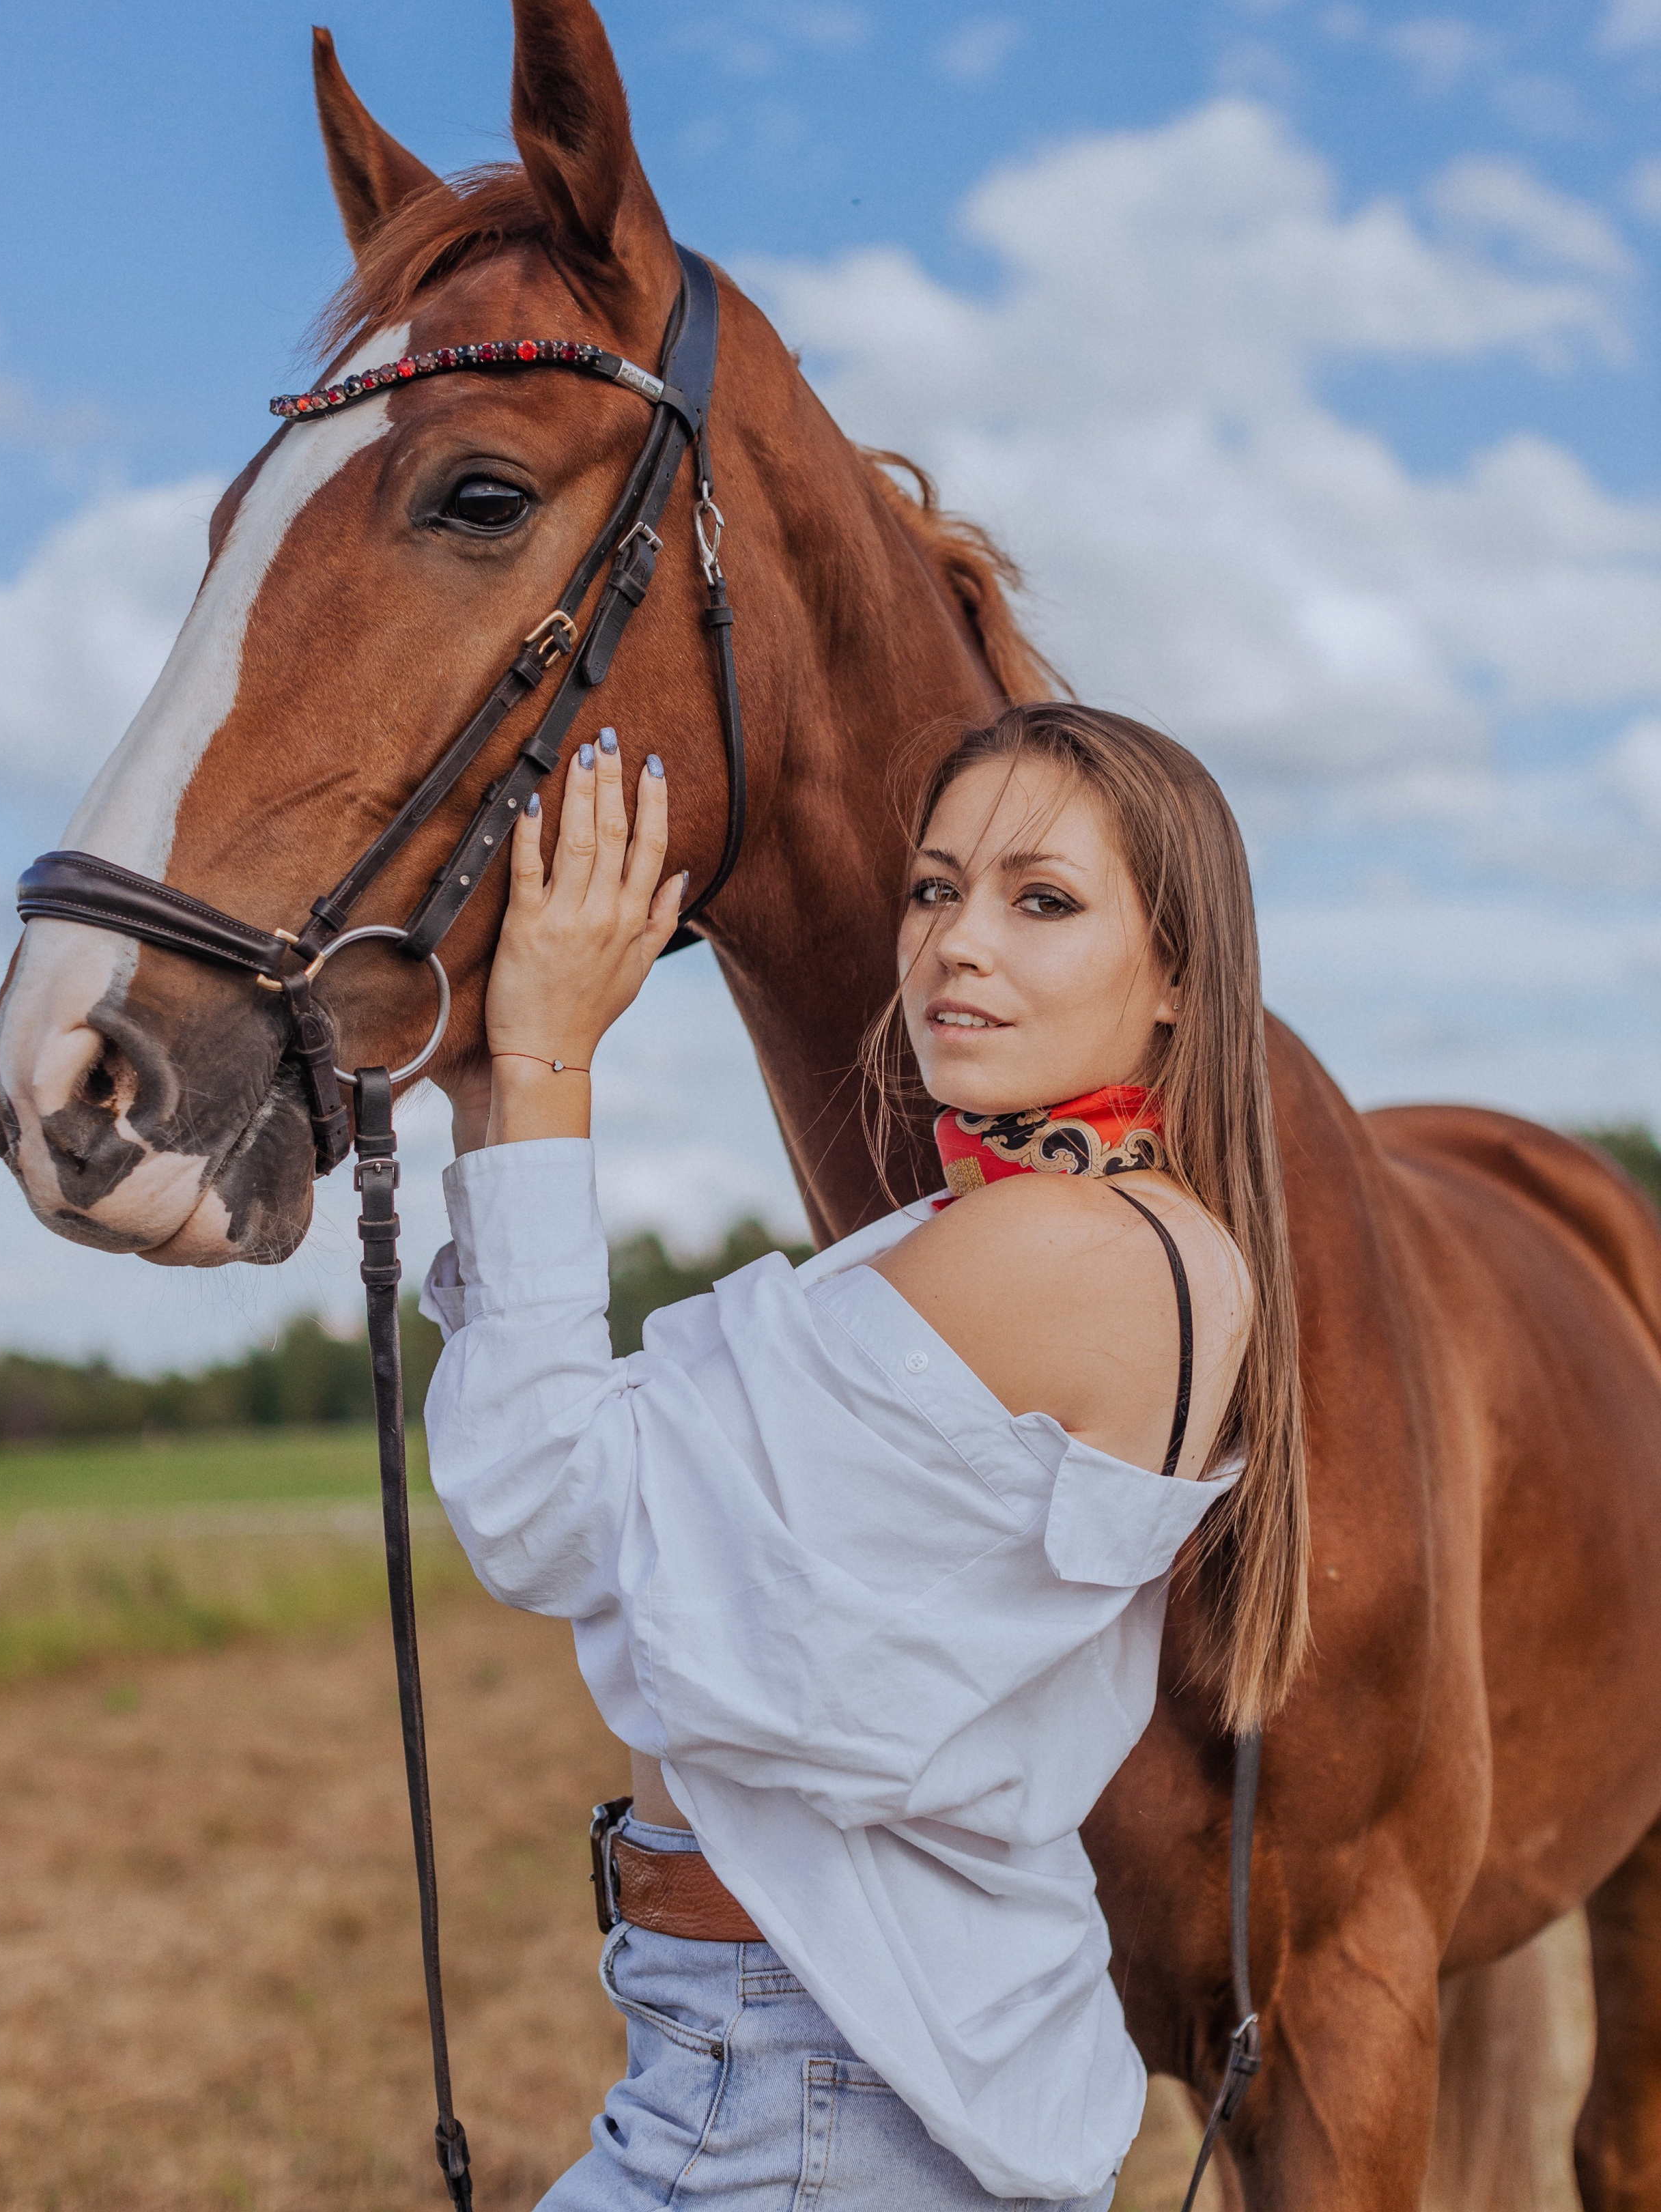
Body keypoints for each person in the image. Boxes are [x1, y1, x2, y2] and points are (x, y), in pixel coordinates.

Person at [424, 702, 1309, 2209]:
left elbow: (548, 1508)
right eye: (934, 887)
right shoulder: (1115, 1237)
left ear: (1175, 976)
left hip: (803, 2090)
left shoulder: (1063, 1251)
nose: (959, 943)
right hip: (827, 2050)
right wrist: (486, 1101)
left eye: (1041, 900)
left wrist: (546, 1057)